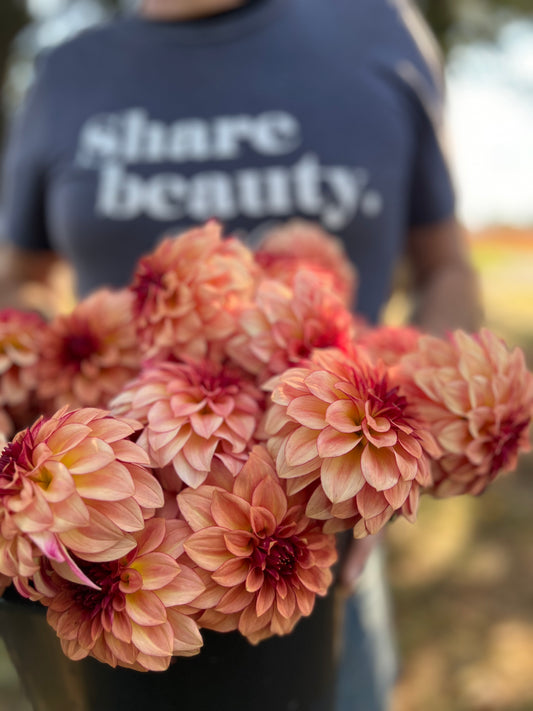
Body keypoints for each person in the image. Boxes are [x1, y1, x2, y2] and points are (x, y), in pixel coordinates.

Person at [0, 0, 482, 708]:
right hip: (97, 555)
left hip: (327, 538)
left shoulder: (377, 28)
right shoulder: (66, 71)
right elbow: (24, 275)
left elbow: (445, 266)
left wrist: (416, 425)